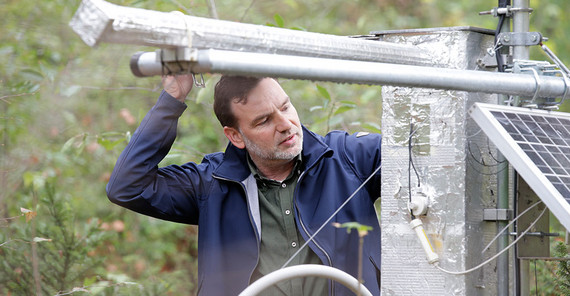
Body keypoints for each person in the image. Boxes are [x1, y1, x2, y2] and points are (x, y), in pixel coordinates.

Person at [106, 74, 382, 295]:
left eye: (285, 107)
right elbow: (128, 185)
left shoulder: (347, 157)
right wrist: (173, 97)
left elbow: (417, 151)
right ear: (235, 136)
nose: (286, 124)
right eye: (264, 120)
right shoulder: (211, 184)